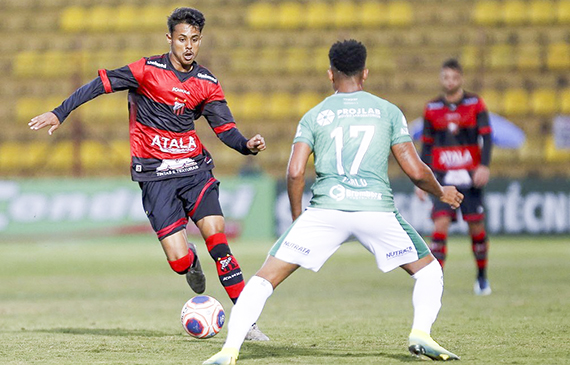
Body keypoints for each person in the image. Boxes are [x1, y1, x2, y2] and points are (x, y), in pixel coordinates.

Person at [203, 40, 463, 365]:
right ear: (365, 74)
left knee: (263, 279)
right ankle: (420, 334)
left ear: (330, 74)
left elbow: (295, 171)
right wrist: (441, 192)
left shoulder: (315, 115)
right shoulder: (388, 111)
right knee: (429, 272)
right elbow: (415, 169)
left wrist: (299, 218)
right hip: (375, 209)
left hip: (326, 210)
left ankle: (229, 351)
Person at [28, 7, 269, 340]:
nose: (188, 46)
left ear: (200, 41)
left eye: (194, 40)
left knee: (218, 239)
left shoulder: (206, 83)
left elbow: (224, 128)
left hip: (194, 170)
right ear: (169, 38)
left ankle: (246, 323)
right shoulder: (146, 70)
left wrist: (246, 145)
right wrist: (59, 113)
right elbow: (97, 86)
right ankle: (190, 264)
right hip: (155, 177)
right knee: (178, 260)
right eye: (182, 38)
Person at [415, 58, 493, 296]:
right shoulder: (432, 108)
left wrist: (484, 166)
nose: (450, 82)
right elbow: (426, 146)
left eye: (454, 77)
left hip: (470, 177)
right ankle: (436, 281)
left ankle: (481, 277)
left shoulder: (475, 103)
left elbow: (487, 138)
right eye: (445, 77)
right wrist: (421, 179)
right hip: (441, 179)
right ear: (441, 79)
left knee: (476, 228)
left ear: (461, 79)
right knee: (440, 224)